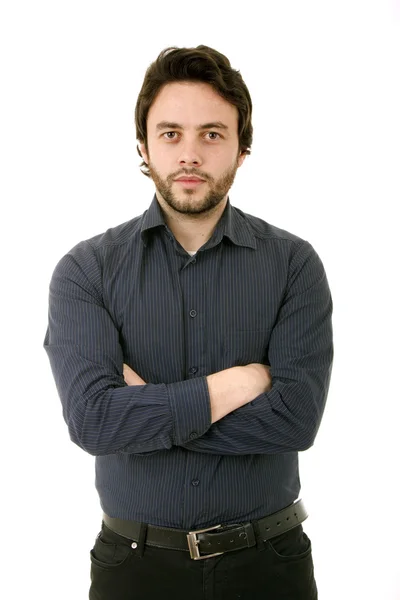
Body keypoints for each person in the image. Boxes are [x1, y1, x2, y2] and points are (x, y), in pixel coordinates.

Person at [44, 45, 333, 600]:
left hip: (269, 564)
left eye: (212, 134)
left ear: (241, 150)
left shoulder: (294, 265)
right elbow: (93, 422)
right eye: (171, 133)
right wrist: (237, 385)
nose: (190, 154)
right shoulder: (87, 271)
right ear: (144, 146)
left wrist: (149, 409)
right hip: (134, 568)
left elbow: (297, 420)